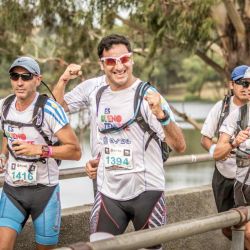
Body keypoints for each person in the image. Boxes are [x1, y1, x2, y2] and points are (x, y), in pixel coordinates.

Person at [0, 56, 82, 250]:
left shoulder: (50, 110)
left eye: (26, 77)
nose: (19, 82)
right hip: (13, 190)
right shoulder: (4, 106)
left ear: (37, 79)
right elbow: (7, 133)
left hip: (44, 192)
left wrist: (39, 149)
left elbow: (76, 151)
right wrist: (3, 155)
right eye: (15, 76)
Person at [201, 65, 250, 239]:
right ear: (232, 85)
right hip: (223, 176)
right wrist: (218, 150)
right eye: (243, 83)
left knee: (247, 228)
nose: (247, 87)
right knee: (227, 227)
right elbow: (205, 139)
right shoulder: (221, 108)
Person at [214, 66, 250, 249]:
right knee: (240, 230)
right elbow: (217, 153)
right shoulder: (236, 115)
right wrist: (234, 143)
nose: (248, 87)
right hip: (241, 185)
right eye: (244, 83)